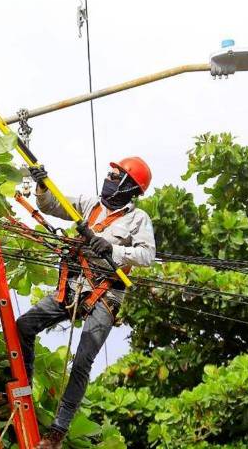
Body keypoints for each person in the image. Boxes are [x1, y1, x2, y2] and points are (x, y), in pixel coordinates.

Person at [16, 157, 156, 449]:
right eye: (110, 174)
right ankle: (23, 386)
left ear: (129, 186)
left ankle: (59, 429)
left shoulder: (138, 219)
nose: (108, 178)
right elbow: (52, 205)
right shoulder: (89, 203)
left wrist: (113, 249)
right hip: (73, 285)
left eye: (114, 176)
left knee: (82, 360)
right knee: (24, 326)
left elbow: (146, 256)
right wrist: (42, 185)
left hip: (106, 293)